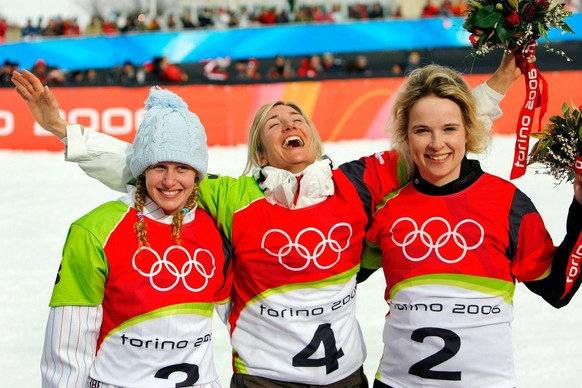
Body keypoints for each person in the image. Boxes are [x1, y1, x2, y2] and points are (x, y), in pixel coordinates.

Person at [12, 52, 523, 387]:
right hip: (261, 381)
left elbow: (435, 137)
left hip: (346, 379)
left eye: (297, 117)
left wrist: (498, 85)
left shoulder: (358, 183)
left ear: (315, 136)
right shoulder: (232, 197)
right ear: (261, 149)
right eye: (274, 123)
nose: (289, 122)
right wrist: (63, 129)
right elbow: (150, 167)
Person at [364, 64, 582, 387]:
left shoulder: (508, 205)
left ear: (468, 130)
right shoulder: (387, 208)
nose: (437, 144)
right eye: (422, 130)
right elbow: (334, 279)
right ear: (405, 137)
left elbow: (557, 288)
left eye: (449, 129)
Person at [37, 87, 231, 387]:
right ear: (141, 171)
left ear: (197, 174)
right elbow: (68, 350)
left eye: (182, 167)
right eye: (158, 167)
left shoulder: (215, 226)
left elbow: (245, 318)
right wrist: (61, 130)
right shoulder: (95, 230)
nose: (169, 181)